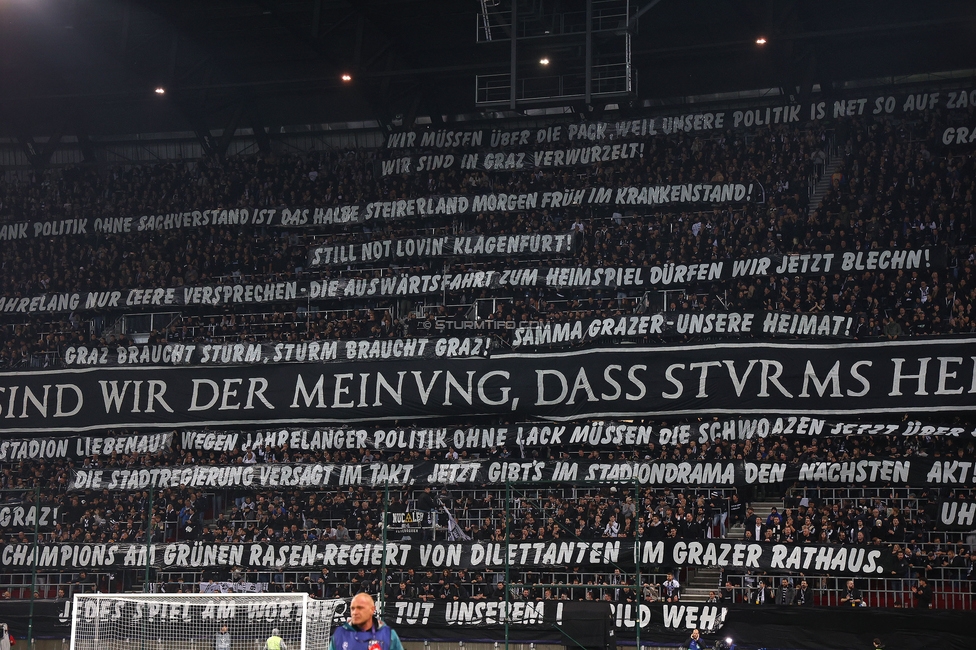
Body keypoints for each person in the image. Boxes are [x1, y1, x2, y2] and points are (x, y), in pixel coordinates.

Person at [329, 593, 404, 650]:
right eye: (352, 608)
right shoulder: (340, 634)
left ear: (372, 609)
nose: (355, 612)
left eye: (360, 608)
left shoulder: (389, 635)